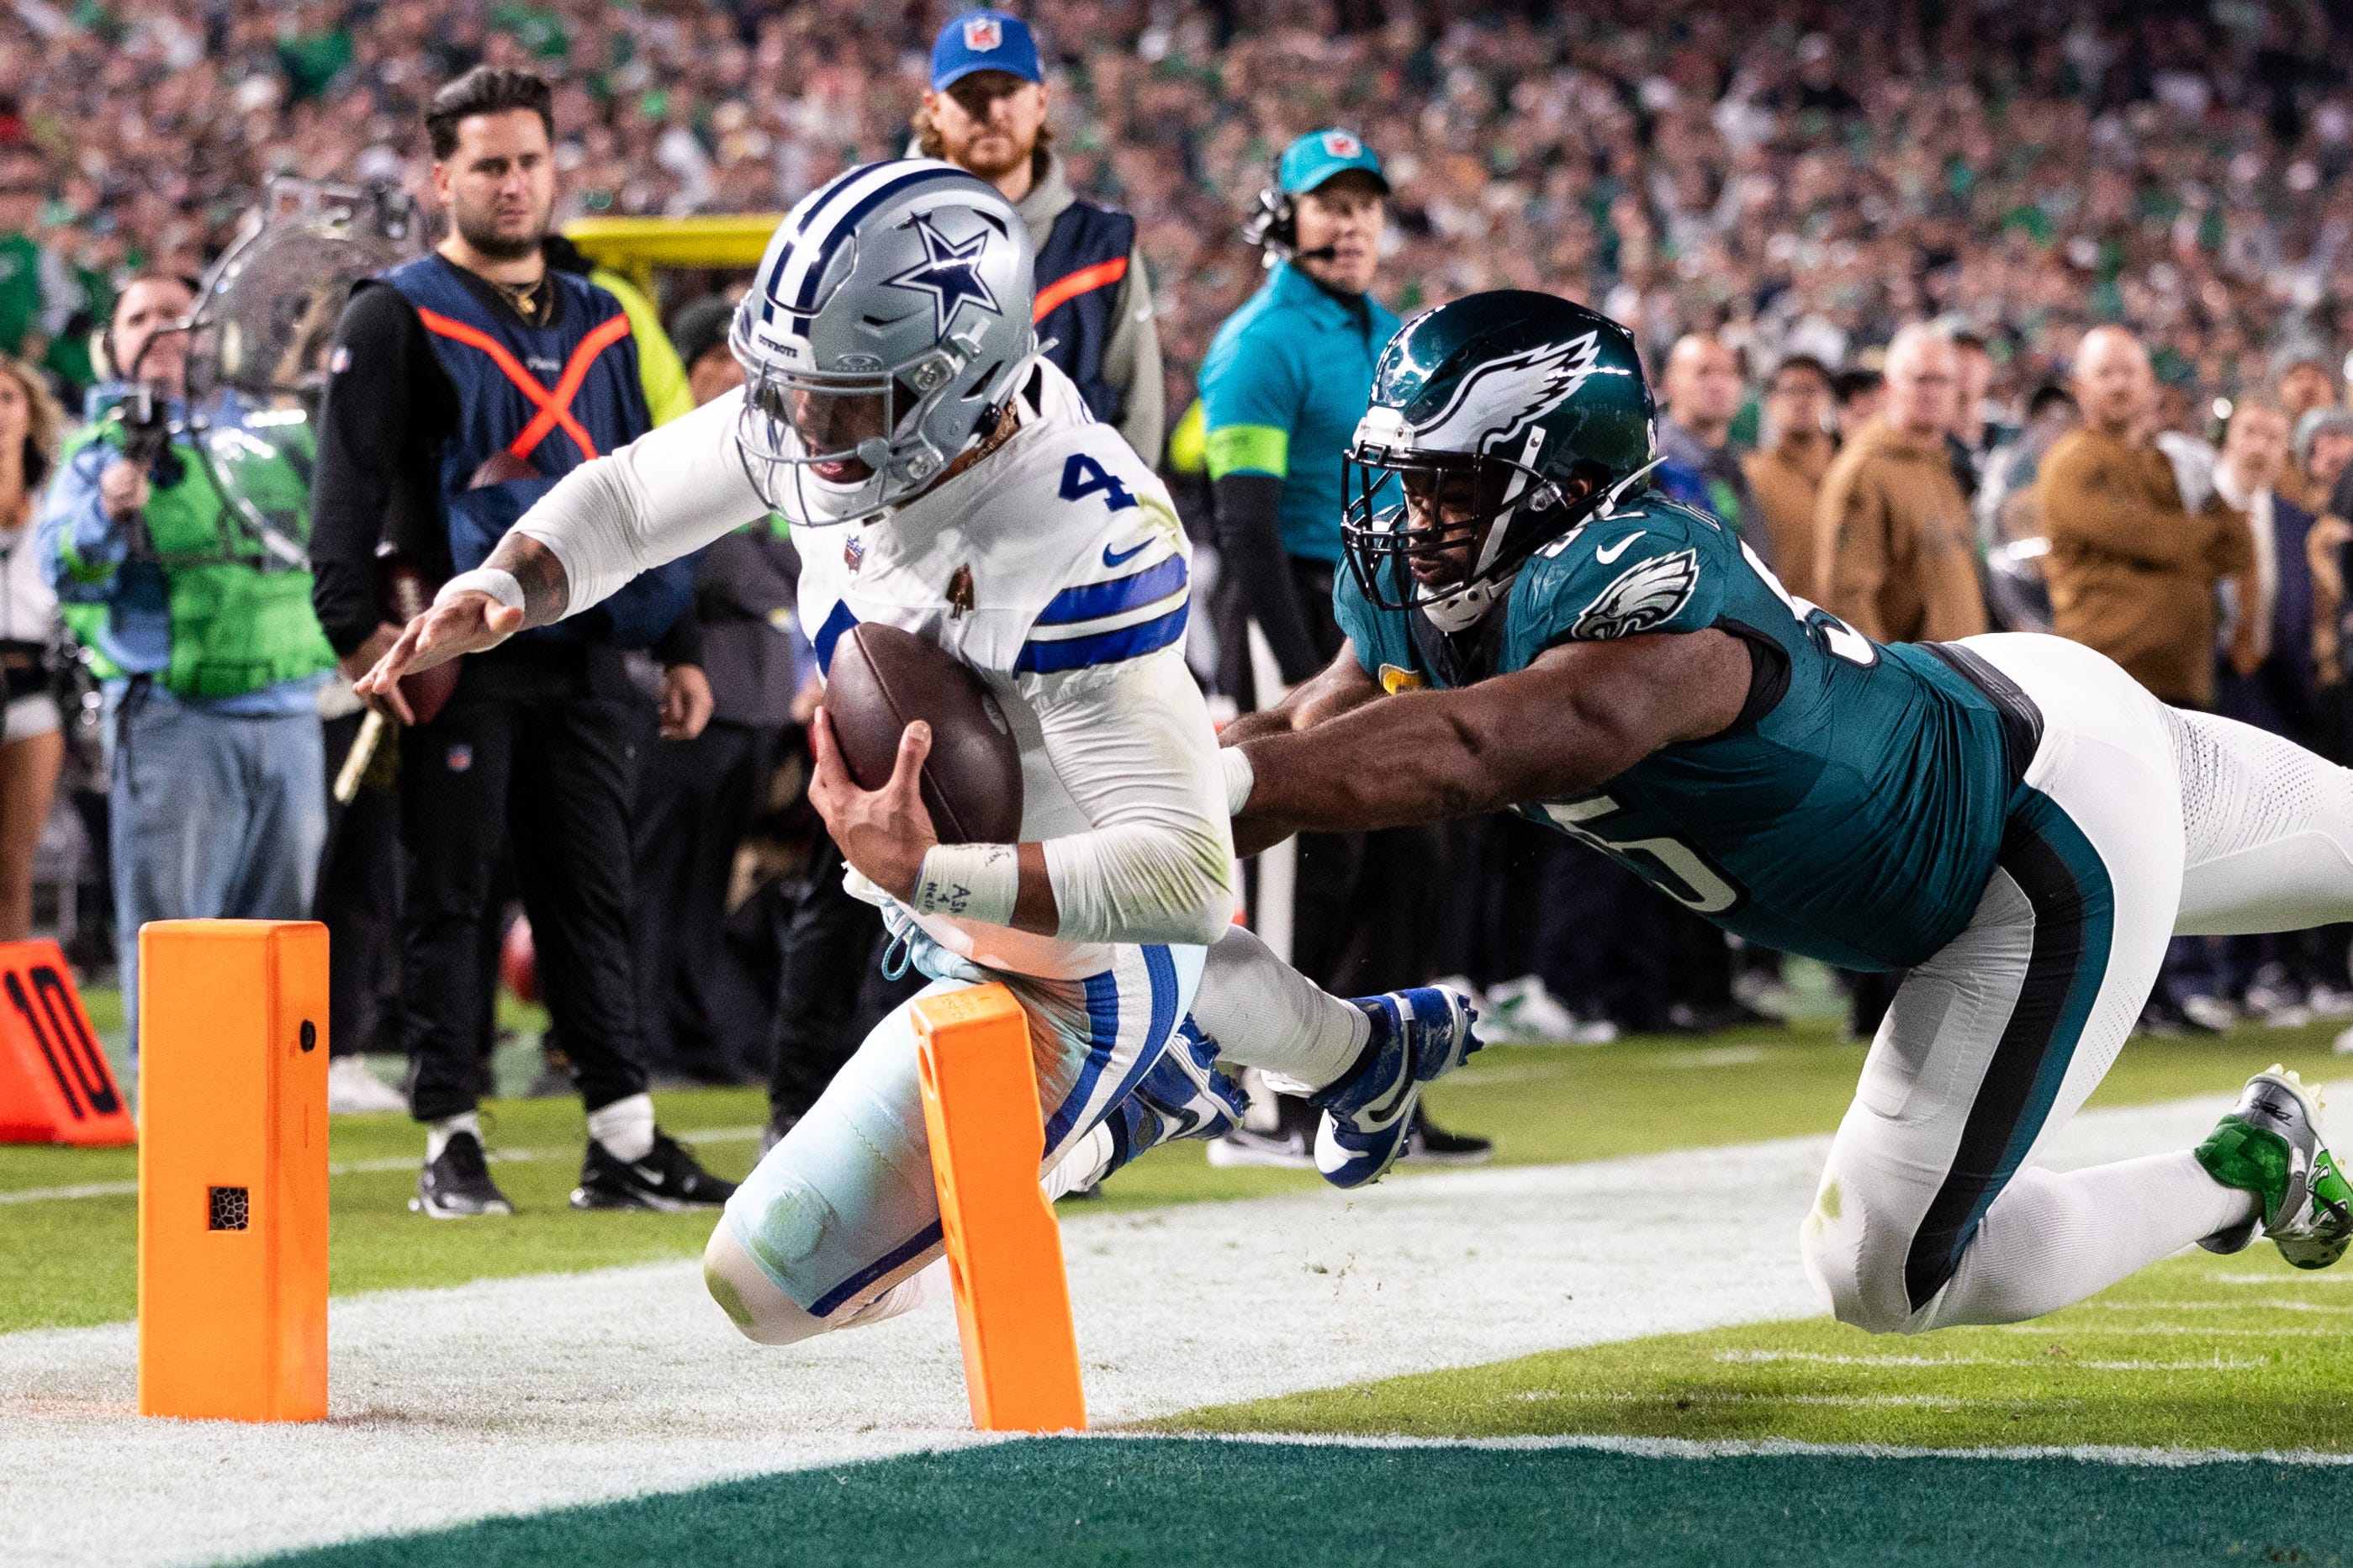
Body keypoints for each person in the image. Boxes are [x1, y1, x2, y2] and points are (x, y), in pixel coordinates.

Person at [356, 161, 1483, 1345]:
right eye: (791, 384)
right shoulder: (847, 409)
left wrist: (925, 873)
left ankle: (1134, 1097)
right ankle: (1357, 1052)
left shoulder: (1075, 536)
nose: (798, 424)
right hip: (971, 892)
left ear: (960, 385)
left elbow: (1186, 881)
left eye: (840, 398)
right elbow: (633, 499)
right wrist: (499, 588)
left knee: (767, 1287)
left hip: (1070, 971)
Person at [1220, 288, 2353, 1338]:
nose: (1411, 520)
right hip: (2001, 701)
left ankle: (2240, 1172)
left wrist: (1215, 796)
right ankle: (2260, 1161)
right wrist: (1165, 792)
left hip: (2028, 844)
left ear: (1560, 482)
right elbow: (1313, 732)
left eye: (1450, 488)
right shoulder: (1429, 594)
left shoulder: (1650, 599)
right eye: (1406, 481)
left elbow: (1473, 748)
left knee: (1888, 1273)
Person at [308, 66, 732, 1217]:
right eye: (488, 164)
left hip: (590, 647)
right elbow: (343, 494)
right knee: (449, 898)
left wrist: (682, 634)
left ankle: (623, 1137)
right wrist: (359, 636)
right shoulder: (390, 312)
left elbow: (650, 495)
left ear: (555, 169)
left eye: (528, 161)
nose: (511, 183)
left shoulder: (602, 315)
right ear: (442, 177)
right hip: (456, 653)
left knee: (594, 896)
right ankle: (448, 1136)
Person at [1198, 127, 1487, 1166]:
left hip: (1382, 611)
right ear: (1282, 218)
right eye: (1328, 202)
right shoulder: (1258, 341)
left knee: (1415, 844)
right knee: (1304, 861)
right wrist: (1294, 665)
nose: (1352, 220)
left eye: (1364, 202)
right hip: (1296, 605)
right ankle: (1266, 1106)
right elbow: (1243, 521)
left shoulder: (1387, 334)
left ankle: (1375, 1088)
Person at [38, 275, 337, 1053]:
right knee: (178, 940)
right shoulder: (98, 451)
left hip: (291, 711)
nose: (166, 329)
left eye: (180, 313)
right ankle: (177, 1135)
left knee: (281, 938)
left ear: (211, 332)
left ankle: (264, 1129)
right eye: (142, 317)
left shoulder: (279, 434)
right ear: (112, 345)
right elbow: (62, 572)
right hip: (176, 719)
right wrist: (107, 509)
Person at [627, 295, 805, 1084]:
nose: (732, 378)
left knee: (708, 887)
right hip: (693, 702)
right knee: (660, 880)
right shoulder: (674, 456)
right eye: (715, 364)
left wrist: (765, 582)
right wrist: (765, 584)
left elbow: (793, 568)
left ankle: (696, 1034)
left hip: (756, 701)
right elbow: (729, 573)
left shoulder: (768, 462)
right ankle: (644, 1037)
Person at [916, 9, 1162, 462]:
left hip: (1075, 517)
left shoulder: (1102, 245)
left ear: (1042, 101)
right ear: (933, 108)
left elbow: (1138, 412)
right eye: (968, 94)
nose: (992, 112)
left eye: (1008, 91)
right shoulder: (885, 232)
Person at [2036, 326, 2252, 710]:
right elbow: (2144, 536)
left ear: (2150, 382)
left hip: (2187, 683)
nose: (2119, 385)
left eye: (2128, 372)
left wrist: (2196, 535)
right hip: (2106, 683)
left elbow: (2234, 554)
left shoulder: (2169, 463)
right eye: (2105, 374)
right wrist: (2202, 533)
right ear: (2079, 386)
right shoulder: (2071, 462)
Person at [1813, 325, 1987, 643]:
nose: (1932, 392)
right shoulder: (1865, 469)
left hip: (1955, 677)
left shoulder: (1940, 463)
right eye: (1921, 379)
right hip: (1913, 684)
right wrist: (1886, 688)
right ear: (1889, 386)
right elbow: (1848, 598)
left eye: (1942, 380)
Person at [0, 355, 61, 942]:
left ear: (28, 413)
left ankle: (6, 1023)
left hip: (29, 680)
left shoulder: (53, 506)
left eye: (6, 398)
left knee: (14, 869)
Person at [1655, 334, 1766, 563]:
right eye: (1703, 372)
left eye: (1729, 373)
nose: (1718, 384)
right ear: (1670, 382)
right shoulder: (1655, 465)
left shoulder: (1737, 464)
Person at [1743, 354, 1836, 594]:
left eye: (1810, 390)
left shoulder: (1848, 468)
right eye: (1790, 391)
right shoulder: (1753, 473)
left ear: (1828, 399)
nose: (1801, 400)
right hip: (1786, 618)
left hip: (1850, 625)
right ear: (1771, 403)